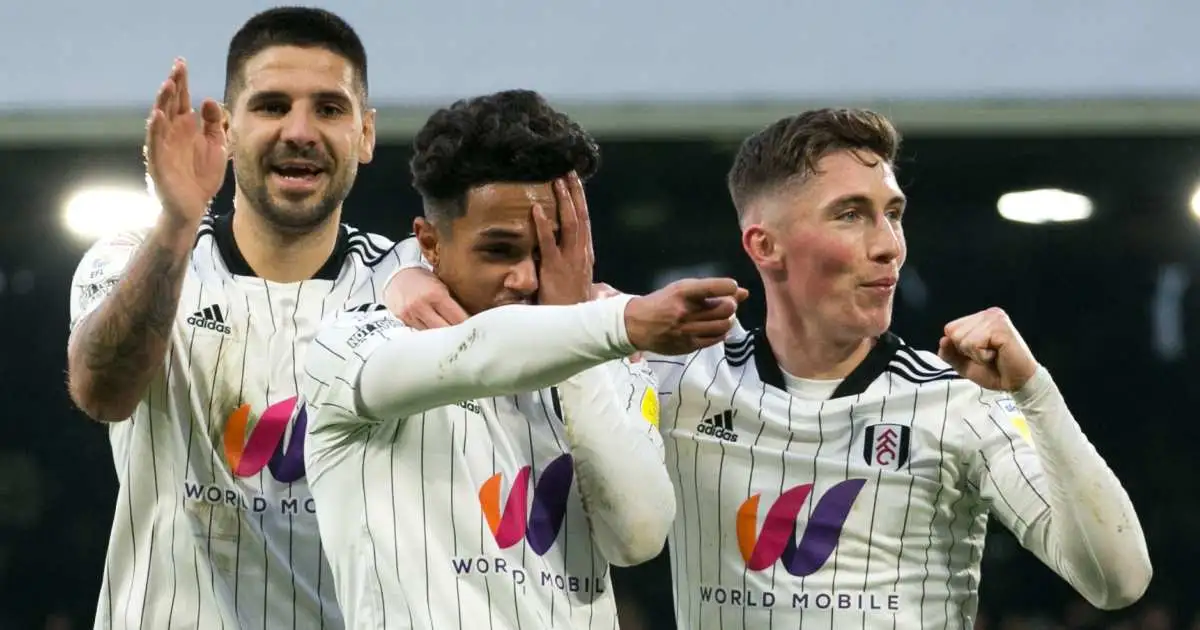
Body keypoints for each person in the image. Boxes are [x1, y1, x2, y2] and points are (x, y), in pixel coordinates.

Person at [385, 108, 1153, 628]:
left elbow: (1117, 583)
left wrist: (1034, 391)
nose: (887, 245)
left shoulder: (958, 401)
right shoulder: (677, 381)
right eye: (851, 214)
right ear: (765, 245)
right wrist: (402, 275)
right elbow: (532, 320)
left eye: (893, 214)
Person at [299, 89, 749, 630]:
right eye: (500, 250)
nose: (528, 278)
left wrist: (584, 339)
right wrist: (615, 323)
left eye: (552, 249)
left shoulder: (606, 360)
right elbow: (480, 354)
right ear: (430, 244)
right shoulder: (350, 346)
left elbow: (637, 537)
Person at [65, 7, 399, 629]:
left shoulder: (408, 282)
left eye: (329, 108)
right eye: (272, 106)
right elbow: (101, 391)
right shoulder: (132, 256)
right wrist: (176, 223)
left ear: (365, 134)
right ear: (226, 127)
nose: (299, 131)